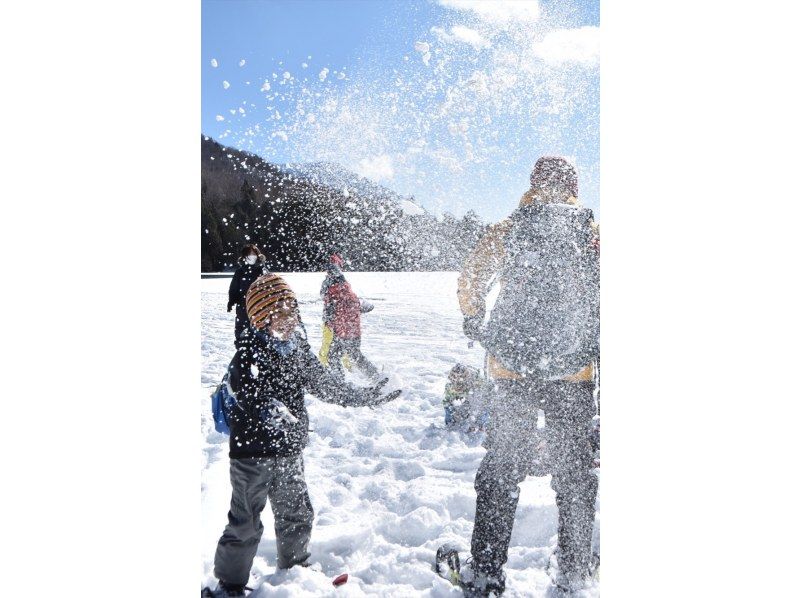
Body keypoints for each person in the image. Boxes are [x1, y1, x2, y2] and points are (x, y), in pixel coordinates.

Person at [456, 156, 600, 596]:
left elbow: (471, 280)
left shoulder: (511, 226)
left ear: (533, 184)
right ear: (573, 186)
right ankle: (574, 570)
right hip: (574, 371)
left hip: (512, 368)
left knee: (503, 466)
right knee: (575, 472)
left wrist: (476, 318)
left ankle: (486, 571)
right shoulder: (590, 233)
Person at [206, 273, 401, 598]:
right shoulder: (249, 355)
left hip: (288, 451)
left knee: (297, 512)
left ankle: (295, 570)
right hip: (251, 455)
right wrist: (269, 411)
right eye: (278, 314)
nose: (288, 320)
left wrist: (366, 396)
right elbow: (248, 396)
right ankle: (230, 584)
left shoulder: (298, 351)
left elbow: (327, 384)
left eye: (291, 311)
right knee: (245, 522)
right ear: (261, 318)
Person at [319, 254, 380, 381]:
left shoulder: (334, 293)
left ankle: (338, 382)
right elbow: (364, 306)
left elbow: (330, 313)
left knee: (333, 356)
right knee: (355, 355)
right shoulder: (348, 291)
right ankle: (375, 376)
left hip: (342, 332)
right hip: (353, 331)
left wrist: (329, 322)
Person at [227, 244, 268, 343]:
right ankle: (242, 347)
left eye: (254, 253)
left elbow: (270, 286)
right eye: (249, 254)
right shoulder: (240, 272)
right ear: (244, 256)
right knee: (242, 332)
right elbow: (234, 288)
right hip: (243, 306)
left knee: (261, 332)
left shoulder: (262, 270)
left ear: (258, 255)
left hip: (259, 307)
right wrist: (231, 301)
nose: (251, 256)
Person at [442, 364, 489, 431]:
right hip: (467, 395)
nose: (457, 385)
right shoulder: (450, 385)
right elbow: (447, 402)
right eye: (455, 380)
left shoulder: (477, 382)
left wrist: (475, 424)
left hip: (483, 395)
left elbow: (481, 403)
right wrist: (449, 421)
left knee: (480, 404)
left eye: (459, 381)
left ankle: (481, 424)